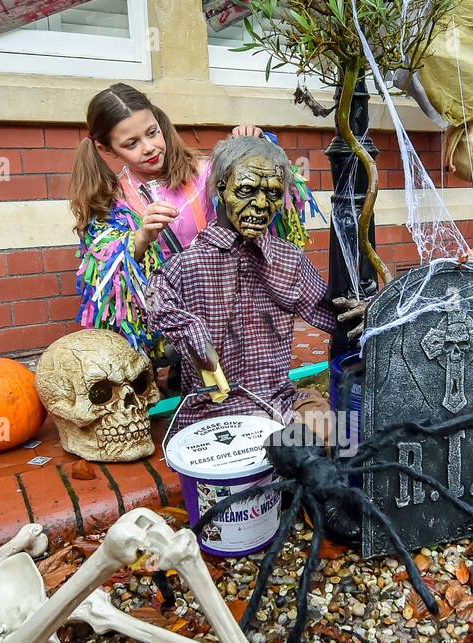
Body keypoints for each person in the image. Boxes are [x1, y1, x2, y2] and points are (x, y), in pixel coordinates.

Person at [68, 84, 317, 377]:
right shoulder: (112, 199)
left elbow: (282, 191)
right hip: (170, 317)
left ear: (160, 123)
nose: (148, 147)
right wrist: (141, 237)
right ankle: (185, 370)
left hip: (232, 297)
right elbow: (104, 272)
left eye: (151, 133)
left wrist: (256, 147)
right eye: (131, 143)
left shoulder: (206, 172)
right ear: (106, 149)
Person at [144, 136, 337, 443]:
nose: (261, 205)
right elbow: (152, 300)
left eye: (273, 193)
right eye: (246, 190)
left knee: (340, 437)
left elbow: (333, 312)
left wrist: (373, 313)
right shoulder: (189, 264)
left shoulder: (288, 260)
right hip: (213, 413)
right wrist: (188, 328)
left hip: (279, 401)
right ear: (220, 188)